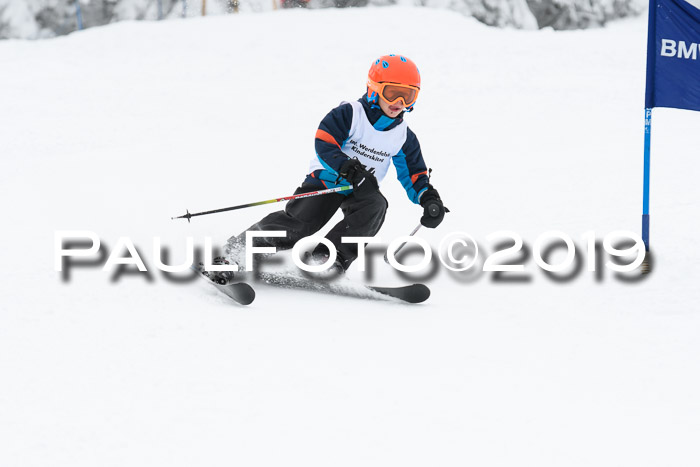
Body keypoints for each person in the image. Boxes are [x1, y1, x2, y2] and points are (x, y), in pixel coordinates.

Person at [226, 54, 447, 274]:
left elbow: (414, 174)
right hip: (329, 179)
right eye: (392, 93)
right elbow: (324, 142)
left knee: (375, 205)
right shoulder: (351, 114)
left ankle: (326, 259)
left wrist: (428, 199)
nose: (399, 103)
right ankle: (241, 249)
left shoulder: (403, 137)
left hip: (362, 189)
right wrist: (346, 167)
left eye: (408, 96)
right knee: (303, 223)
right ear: (374, 88)